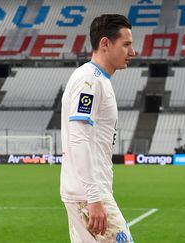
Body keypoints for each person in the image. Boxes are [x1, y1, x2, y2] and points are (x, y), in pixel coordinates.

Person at [60, 14, 135, 242]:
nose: (132, 52)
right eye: (126, 45)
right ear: (105, 43)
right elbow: (79, 137)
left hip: (87, 191)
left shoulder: (99, 80)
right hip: (88, 194)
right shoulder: (89, 81)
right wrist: (94, 197)